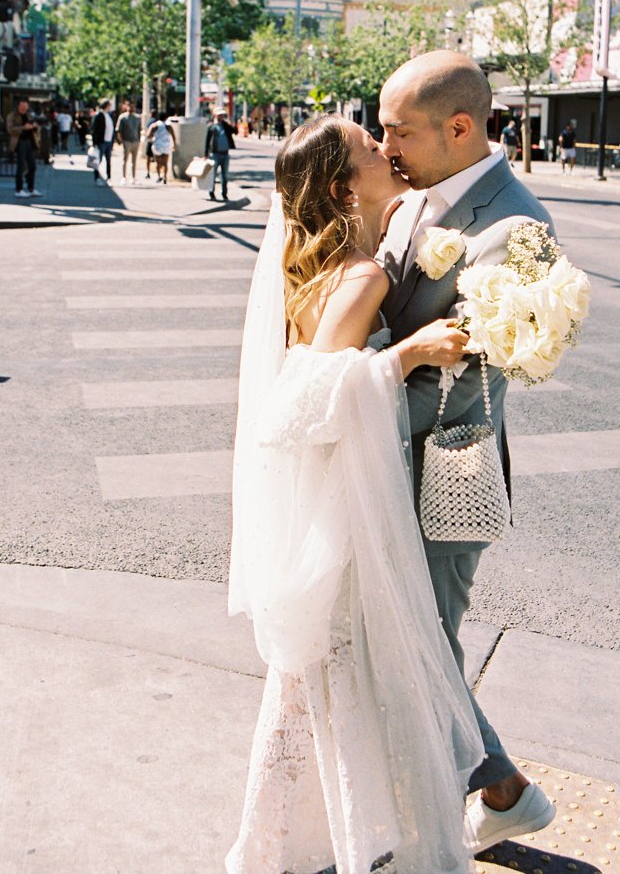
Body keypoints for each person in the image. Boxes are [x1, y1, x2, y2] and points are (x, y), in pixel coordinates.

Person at [228, 114, 483, 873]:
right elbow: (300, 405)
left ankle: (286, 840)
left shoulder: (336, 263)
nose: (386, 146)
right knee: (343, 678)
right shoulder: (363, 276)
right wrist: (404, 355)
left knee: (314, 685)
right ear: (344, 185)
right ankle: (343, 841)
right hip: (342, 515)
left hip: (323, 509)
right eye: (372, 147)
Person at [377, 51, 556, 856]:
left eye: (398, 131)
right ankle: (503, 791)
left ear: (458, 127)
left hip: (442, 475)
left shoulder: (519, 230)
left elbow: (470, 384)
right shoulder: (412, 196)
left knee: (420, 650)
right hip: (382, 465)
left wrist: (351, 396)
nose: (385, 149)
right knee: (414, 645)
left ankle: (447, 820)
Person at [6, 99, 42, 198]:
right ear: (18, 107)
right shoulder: (12, 115)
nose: (24, 109)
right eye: (22, 108)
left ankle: (31, 188)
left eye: (26, 108)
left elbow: (36, 127)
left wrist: (34, 127)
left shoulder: (29, 115)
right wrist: (23, 128)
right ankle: (19, 189)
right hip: (19, 142)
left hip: (30, 142)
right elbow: (10, 129)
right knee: (21, 166)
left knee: (32, 166)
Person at [204, 107, 236, 201]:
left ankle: (224, 193)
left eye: (222, 115)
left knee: (224, 175)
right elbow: (207, 141)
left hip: (225, 154)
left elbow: (235, 131)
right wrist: (205, 154)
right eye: (219, 115)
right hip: (215, 154)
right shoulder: (211, 126)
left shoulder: (225, 125)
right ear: (215, 115)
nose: (221, 116)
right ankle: (211, 192)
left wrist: (230, 124)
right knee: (212, 175)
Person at [115, 100, 141, 185]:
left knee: (134, 161)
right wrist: (121, 140)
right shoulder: (122, 117)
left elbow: (139, 130)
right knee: (125, 160)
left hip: (135, 141)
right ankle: (124, 177)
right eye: (130, 106)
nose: (131, 108)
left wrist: (139, 140)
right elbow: (118, 130)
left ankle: (133, 177)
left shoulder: (137, 117)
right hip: (127, 141)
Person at [90, 99, 114, 186]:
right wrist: (94, 142)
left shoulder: (108, 115)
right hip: (101, 142)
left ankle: (108, 177)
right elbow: (94, 129)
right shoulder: (99, 115)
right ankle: (97, 178)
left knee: (108, 160)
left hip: (108, 141)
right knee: (98, 161)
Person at [148, 111, 175, 184]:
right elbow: (173, 136)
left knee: (157, 162)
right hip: (166, 145)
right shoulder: (168, 126)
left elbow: (148, 135)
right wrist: (174, 145)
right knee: (165, 163)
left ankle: (159, 176)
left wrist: (153, 137)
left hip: (157, 146)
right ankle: (165, 176)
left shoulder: (154, 125)